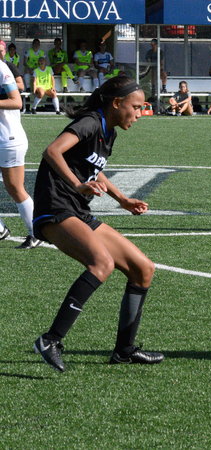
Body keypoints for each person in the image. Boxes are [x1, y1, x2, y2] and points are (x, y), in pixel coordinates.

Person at [32, 76, 163, 373]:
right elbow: (52, 151)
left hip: (77, 210)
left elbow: (94, 168)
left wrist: (122, 199)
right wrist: (77, 185)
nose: (140, 114)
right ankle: (50, 340)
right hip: (56, 208)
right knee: (101, 263)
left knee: (143, 269)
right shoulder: (90, 122)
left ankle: (124, 351)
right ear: (116, 103)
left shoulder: (108, 131)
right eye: (136, 107)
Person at [0, 46, 40, 249]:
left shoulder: (2, 68)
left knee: (15, 188)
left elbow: (17, 102)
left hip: (8, 138)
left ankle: (36, 232)